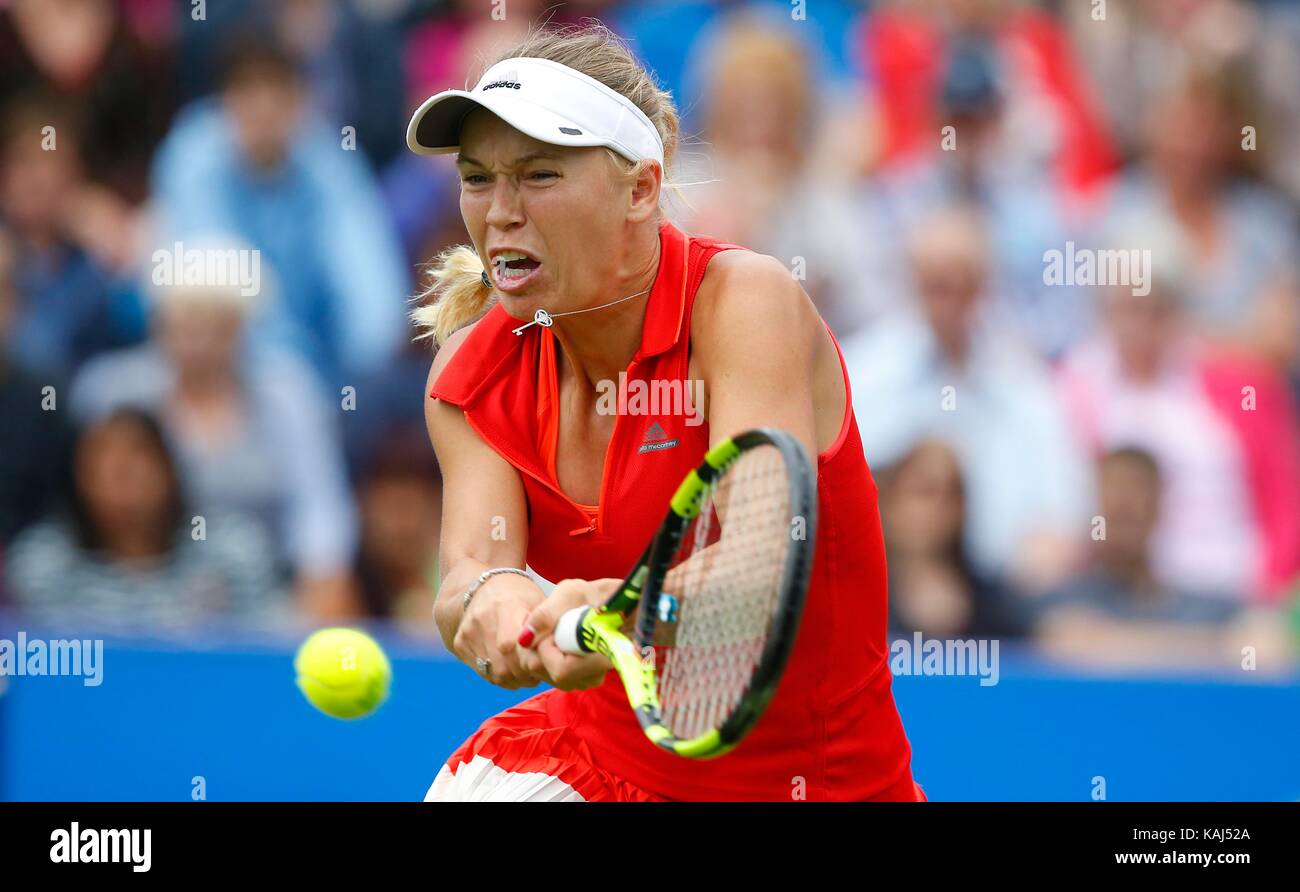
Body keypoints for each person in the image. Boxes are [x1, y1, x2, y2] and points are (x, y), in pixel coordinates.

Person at [412, 24, 922, 802]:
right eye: (478, 178)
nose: (500, 213)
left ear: (642, 189)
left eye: (540, 175)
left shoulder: (745, 305)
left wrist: (622, 608)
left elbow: (756, 565)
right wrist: (493, 603)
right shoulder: (469, 377)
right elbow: (470, 573)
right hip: (595, 768)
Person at [4, 407, 284, 630]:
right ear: (77, 483)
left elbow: (262, 649)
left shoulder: (233, 549)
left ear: (169, 471)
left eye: (134, 467)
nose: (122, 487)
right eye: (104, 472)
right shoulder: (43, 563)